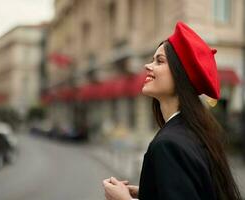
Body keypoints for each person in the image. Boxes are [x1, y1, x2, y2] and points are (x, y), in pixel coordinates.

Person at [102, 21, 242, 200]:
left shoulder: (168, 145)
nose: (148, 66)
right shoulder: (196, 132)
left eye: (159, 61)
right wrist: (149, 191)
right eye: (152, 60)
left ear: (180, 75)